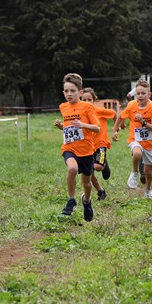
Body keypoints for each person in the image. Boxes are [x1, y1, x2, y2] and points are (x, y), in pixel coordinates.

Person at [53, 73, 100, 221]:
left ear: (80, 92)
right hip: (70, 148)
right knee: (72, 168)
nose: (69, 94)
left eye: (72, 91)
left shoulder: (87, 107)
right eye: (66, 91)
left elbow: (97, 128)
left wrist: (83, 125)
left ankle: (86, 201)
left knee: (86, 184)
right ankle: (71, 200)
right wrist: (62, 126)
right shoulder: (63, 107)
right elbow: (69, 129)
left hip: (86, 151)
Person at [112, 79, 152, 199]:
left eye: (143, 93)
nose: (140, 96)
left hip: (149, 143)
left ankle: (148, 189)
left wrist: (143, 122)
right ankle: (134, 173)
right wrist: (114, 131)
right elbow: (120, 117)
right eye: (138, 93)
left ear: (149, 94)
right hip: (135, 139)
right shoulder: (132, 105)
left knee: (148, 172)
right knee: (137, 154)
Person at [81, 87, 117, 201]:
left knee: (98, 167)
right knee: (89, 175)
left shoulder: (100, 111)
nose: (87, 103)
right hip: (88, 147)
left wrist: (117, 128)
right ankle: (101, 191)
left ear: (94, 100)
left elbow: (114, 113)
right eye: (84, 100)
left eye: (89, 100)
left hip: (101, 144)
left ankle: (104, 165)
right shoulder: (81, 114)